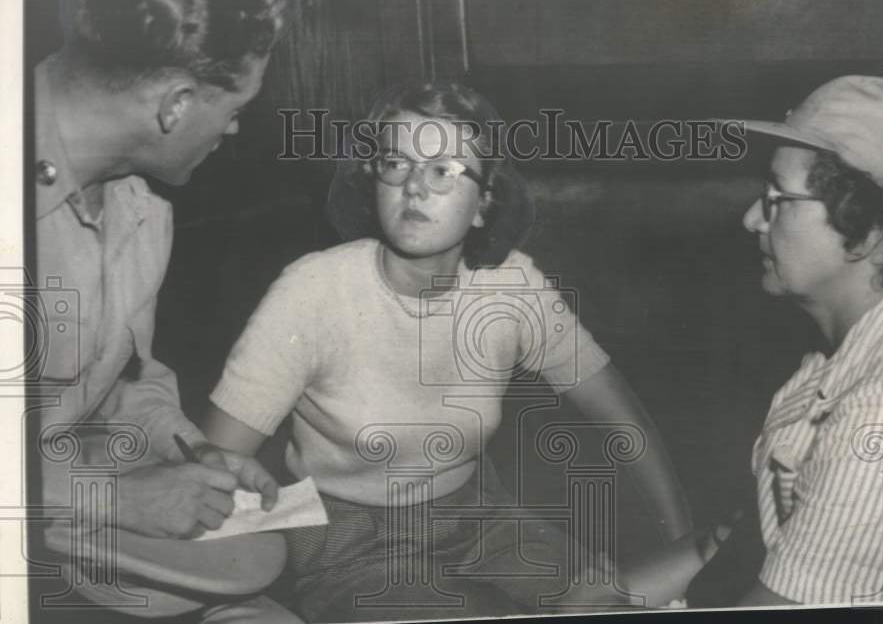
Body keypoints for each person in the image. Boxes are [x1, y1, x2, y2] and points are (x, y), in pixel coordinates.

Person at [201, 81, 693, 621]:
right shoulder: (312, 290)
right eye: (396, 163)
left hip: (484, 519)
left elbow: (623, 421)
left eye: (444, 170)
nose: (414, 187)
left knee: (610, 607)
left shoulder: (512, 285)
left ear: (484, 202)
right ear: (373, 183)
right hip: (348, 541)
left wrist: (683, 542)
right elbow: (217, 459)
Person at [630, 75, 883, 608]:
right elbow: (737, 541)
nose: (752, 219)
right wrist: (594, 596)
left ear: (866, 233)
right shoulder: (850, 355)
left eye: (778, 200)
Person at [32, 0, 301, 622]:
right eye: (235, 110)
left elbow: (124, 382)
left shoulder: (142, 211)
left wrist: (190, 451)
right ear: (175, 104)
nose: (233, 130)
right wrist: (118, 499)